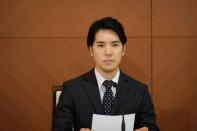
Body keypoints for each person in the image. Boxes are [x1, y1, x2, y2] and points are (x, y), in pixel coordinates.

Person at [52, 17, 160, 131]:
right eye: (101, 45)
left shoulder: (140, 91)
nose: (108, 52)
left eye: (114, 45)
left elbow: (152, 127)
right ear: (91, 50)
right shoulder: (72, 89)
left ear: (123, 49)